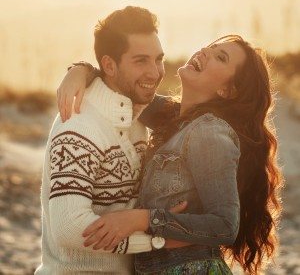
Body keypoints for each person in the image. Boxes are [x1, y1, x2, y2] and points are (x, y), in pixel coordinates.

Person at [57, 34, 282, 274]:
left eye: (220, 57)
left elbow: (225, 226)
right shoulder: (173, 118)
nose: (205, 52)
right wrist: (79, 71)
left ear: (227, 90)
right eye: (210, 46)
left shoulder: (209, 132)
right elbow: (123, 85)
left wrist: (142, 219)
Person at [35, 6, 188, 275]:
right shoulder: (78, 127)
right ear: (109, 65)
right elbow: (70, 227)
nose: (155, 72)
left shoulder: (137, 112)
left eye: (158, 59)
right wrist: (154, 240)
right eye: (141, 61)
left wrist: (81, 69)